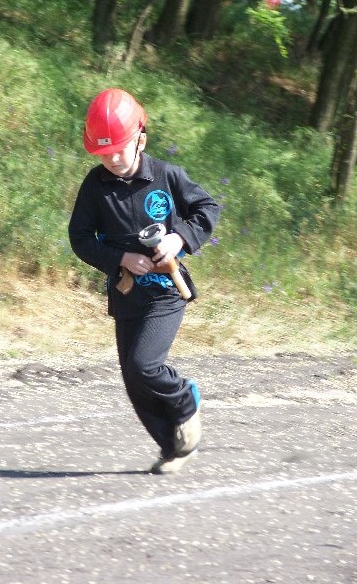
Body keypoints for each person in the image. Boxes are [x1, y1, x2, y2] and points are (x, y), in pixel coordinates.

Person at [68, 88, 220, 474]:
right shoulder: (95, 187)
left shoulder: (167, 177)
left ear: (141, 139)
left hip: (167, 291)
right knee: (134, 380)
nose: (113, 159)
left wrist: (179, 238)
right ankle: (173, 448)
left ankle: (185, 400)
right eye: (104, 152)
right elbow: (80, 238)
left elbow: (207, 208)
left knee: (144, 365)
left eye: (119, 149)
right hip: (126, 294)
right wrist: (121, 259)